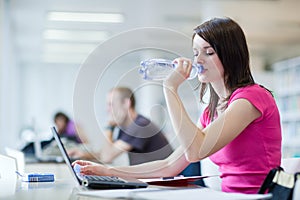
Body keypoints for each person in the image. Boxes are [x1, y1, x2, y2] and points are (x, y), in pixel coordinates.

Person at [73, 17, 282, 194]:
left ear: (230, 55)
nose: (198, 60)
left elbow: (195, 151)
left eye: (208, 52)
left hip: (259, 197)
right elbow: (169, 165)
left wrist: (170, 88)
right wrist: (108, 172)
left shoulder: (252, 98)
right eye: (195, 52)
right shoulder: (211, 113)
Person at [69, 87, 174, 165]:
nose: (108, 109)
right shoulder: (127, 127)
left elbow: (107, 157)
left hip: (166, 183)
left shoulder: (140, 126)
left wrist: (109, 127)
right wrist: (83, 155)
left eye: (111, 104)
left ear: (126, 103)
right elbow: (106, 153)